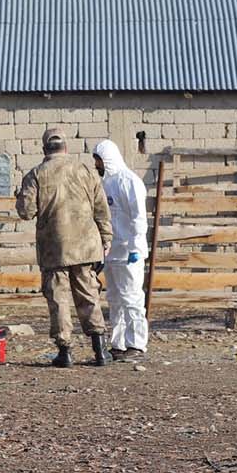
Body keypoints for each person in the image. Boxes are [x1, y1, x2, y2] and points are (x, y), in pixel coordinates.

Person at [16, 129, 111, 367]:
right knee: (89, 294)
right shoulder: (86, 171)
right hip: (86, 245)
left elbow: (25, 212)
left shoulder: (36, 175)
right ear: (66, 147)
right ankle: (100, 350)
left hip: (54, 247)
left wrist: (20, 196)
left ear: (44, 149)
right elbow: (101, 208)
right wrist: (106, 239)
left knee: (58, 298)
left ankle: (65, 351)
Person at [93, 138, 150, 355]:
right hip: (112, 253)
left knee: (132, 298)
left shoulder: (130, 181)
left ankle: (136, 343)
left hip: (128, 253)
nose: (96, 165)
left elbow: (138, 218)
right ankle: (118, 344)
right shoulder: (106, 183)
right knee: (115, 300)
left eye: (98, 160)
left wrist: (136, 248)